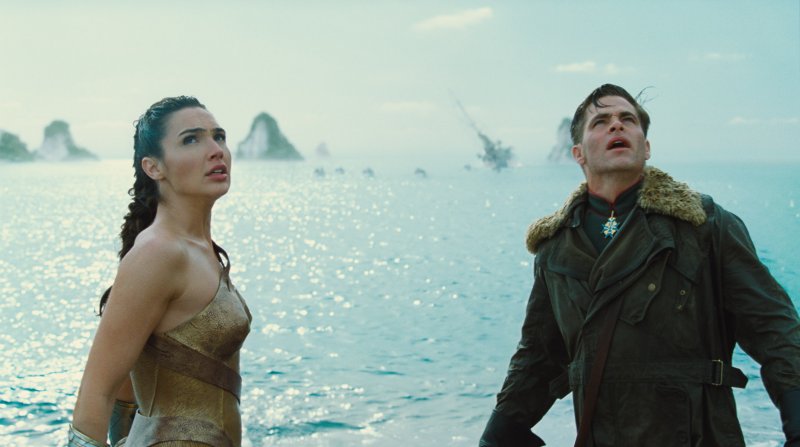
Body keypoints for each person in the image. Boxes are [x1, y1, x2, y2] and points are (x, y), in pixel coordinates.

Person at [479, 84, 800, 446]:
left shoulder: (704, 225)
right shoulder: (555, 248)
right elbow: (538, 355)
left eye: (627, 119)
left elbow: (775, 330)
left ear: (645, 147)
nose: (616, 125)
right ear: (578, 153)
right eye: (600, 121)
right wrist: (499, 431)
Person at [68, 96, 251, 447]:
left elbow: (127, 390)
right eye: (191, 139)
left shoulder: (200, 251)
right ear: (154, 168)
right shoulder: (158, 253)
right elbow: (96, 393)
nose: (216, 150)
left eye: (219, 137)